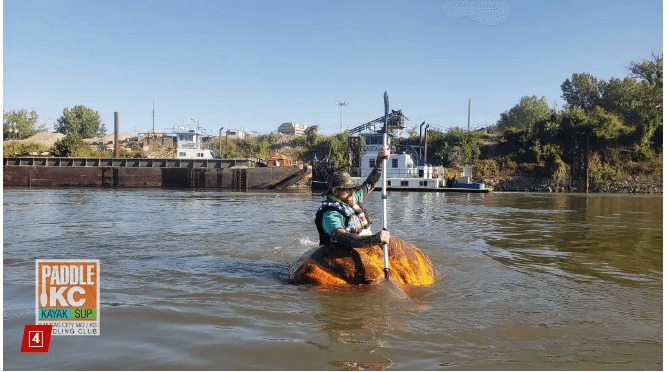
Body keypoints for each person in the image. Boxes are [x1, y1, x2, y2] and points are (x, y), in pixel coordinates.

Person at [315, 145, 390, 249]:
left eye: (353, 188)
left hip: (364, 247)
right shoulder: (330, 213)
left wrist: (380, 160)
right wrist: (373, 239)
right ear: (335, 191)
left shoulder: (352, 197)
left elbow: (370, 182)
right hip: (339, 255)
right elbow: (341, 236)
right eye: (348, 189)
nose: (353, 191)